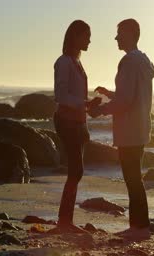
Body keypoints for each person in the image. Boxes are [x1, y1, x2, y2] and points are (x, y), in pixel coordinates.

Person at [89, 18, 154, 240]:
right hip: (141, 128)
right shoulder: (144, 61)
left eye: (119, 33)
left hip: (129, 130)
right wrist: (110, 94)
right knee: (135, 178)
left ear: (129, 34)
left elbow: (126, 101)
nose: (116, 37)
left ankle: (138, 228)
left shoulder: (128, 61)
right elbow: (131, 97)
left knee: (132, 178)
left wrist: (101, 110)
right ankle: (140, 225)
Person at [52, 20, 101, 233]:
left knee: (76, 171)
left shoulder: (76, 62)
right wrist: (84, 103)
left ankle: (65, 221)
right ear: (76, 36)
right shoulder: (63, 62)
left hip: (78, 121)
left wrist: (89, 105)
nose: (90, 40)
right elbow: (61, 96)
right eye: (86, 35)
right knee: (76, 171)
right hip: (66, 121)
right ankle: (64, 222)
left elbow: (75, 95)